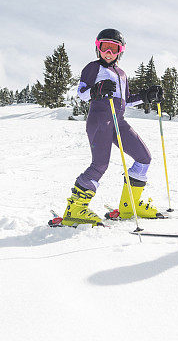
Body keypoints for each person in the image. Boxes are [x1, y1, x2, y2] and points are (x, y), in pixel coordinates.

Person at [59, 28, 165, 226]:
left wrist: (146, 96)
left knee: (144, 157)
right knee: (100, 164)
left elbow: (126, 100)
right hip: (99, 120)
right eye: (104, 47)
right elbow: (81, 93)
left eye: (113, 48)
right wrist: (97, 90)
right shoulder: (93, 68)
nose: (108, 52)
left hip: (118, 121)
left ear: (120, 51)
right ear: (98, 49)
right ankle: (75, 209)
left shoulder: (122, 74)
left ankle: (129, 206)